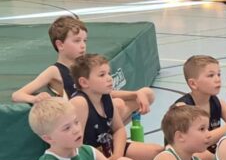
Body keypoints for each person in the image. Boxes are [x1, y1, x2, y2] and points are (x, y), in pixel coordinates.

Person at [13, 16, 156, 123]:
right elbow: (17, 95)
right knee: (117, 104)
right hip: (82, 119)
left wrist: (136, 94)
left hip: (100, 110)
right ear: (60, 45)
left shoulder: (86, 65)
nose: (82, 45)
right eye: (77, 41)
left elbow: (107, 93)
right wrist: (35, 98)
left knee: (147, 93)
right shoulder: (54, 71)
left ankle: (109, 136)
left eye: (84, 41)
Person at [69, 54, 163, 160]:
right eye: (102, 75)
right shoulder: (79, 103)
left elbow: (119, 129)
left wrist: (117, 156)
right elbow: (75, 146)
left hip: (107, 147)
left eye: (109, 73)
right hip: (89, 156)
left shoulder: (106, 96)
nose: (109, 78)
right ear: (84, 82)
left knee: (158, 152)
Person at [175, 55, 226, 160]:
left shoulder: (219, 103)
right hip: (186, 157)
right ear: (193, 84)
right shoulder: (182, 107)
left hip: (211, 154)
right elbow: (201, 140)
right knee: (202, 156)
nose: (217, 79)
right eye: (211, 75)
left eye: (218, 74)